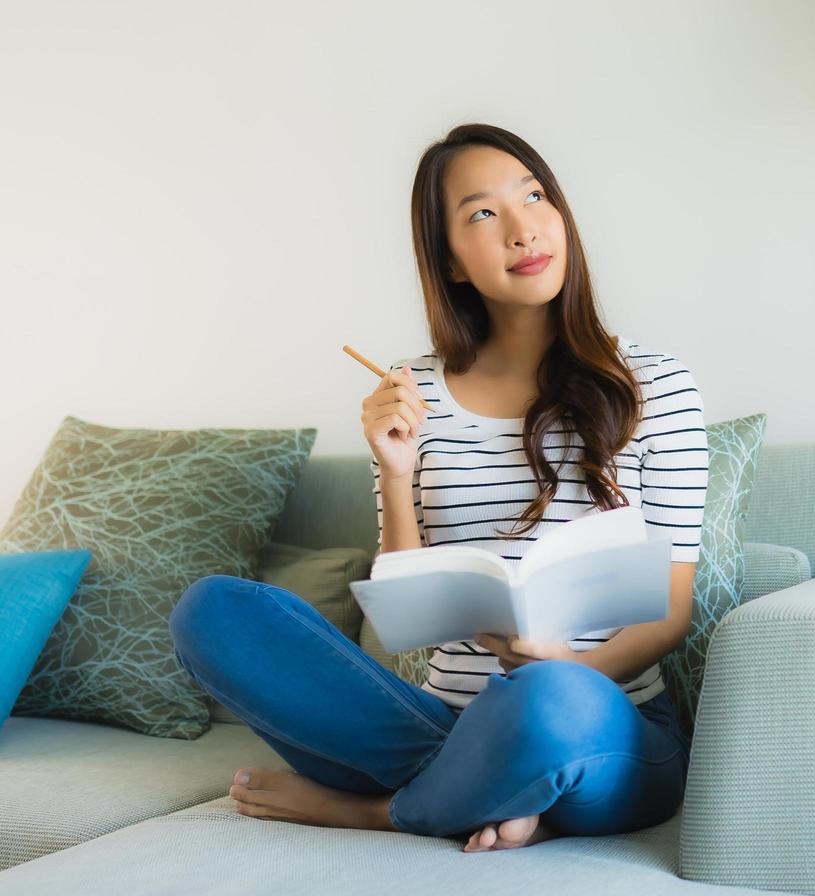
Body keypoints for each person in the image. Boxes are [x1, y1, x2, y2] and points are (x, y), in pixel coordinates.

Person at [168, 123, 707, 854]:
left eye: (535, 196)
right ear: (451, 262)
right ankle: (496, 788)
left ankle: (380, 811)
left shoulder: (657, 385)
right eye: (482, 214)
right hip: (438, 716)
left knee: (548, 702)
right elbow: (407, 622)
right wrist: (395, 466)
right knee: (215, 612)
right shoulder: (411, 390)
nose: (522, 229)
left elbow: (671, 615)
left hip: (602, 719)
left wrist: (568, 668)